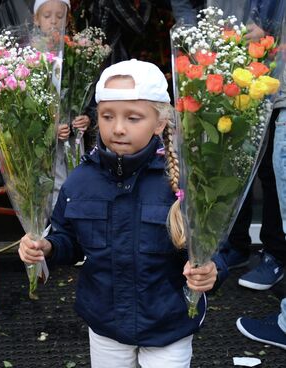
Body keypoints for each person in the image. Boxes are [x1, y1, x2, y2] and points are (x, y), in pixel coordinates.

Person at [19, 59, 223, 367]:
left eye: (133, 117)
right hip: (105, 323)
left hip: (169, 323)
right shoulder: (80, 180)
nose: (117, 128)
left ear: (159, 123)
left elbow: (216, 246)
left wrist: (212, 269)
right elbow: (68, 239)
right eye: (107, 116)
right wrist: (46, 247)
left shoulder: (184, 182)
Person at [216, 2, 286, 291]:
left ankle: (275, 254)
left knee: (273, 167)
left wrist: (268, 26)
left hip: (275, 64)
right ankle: (235, 243)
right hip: (233, 55)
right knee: (235, 160)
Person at [32, 0, 92, 204]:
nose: (54, 22)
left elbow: (85, 98)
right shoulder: (31, 58)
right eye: (47, 16)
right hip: (46, 140)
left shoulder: (76, 54)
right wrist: (50, 128)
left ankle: (77, 220)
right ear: (36, 20)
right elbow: (29, 107)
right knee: (54, 184)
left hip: (73, 137)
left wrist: (86, 118)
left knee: (79, 178)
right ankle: (57, 226)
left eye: (60, 16)